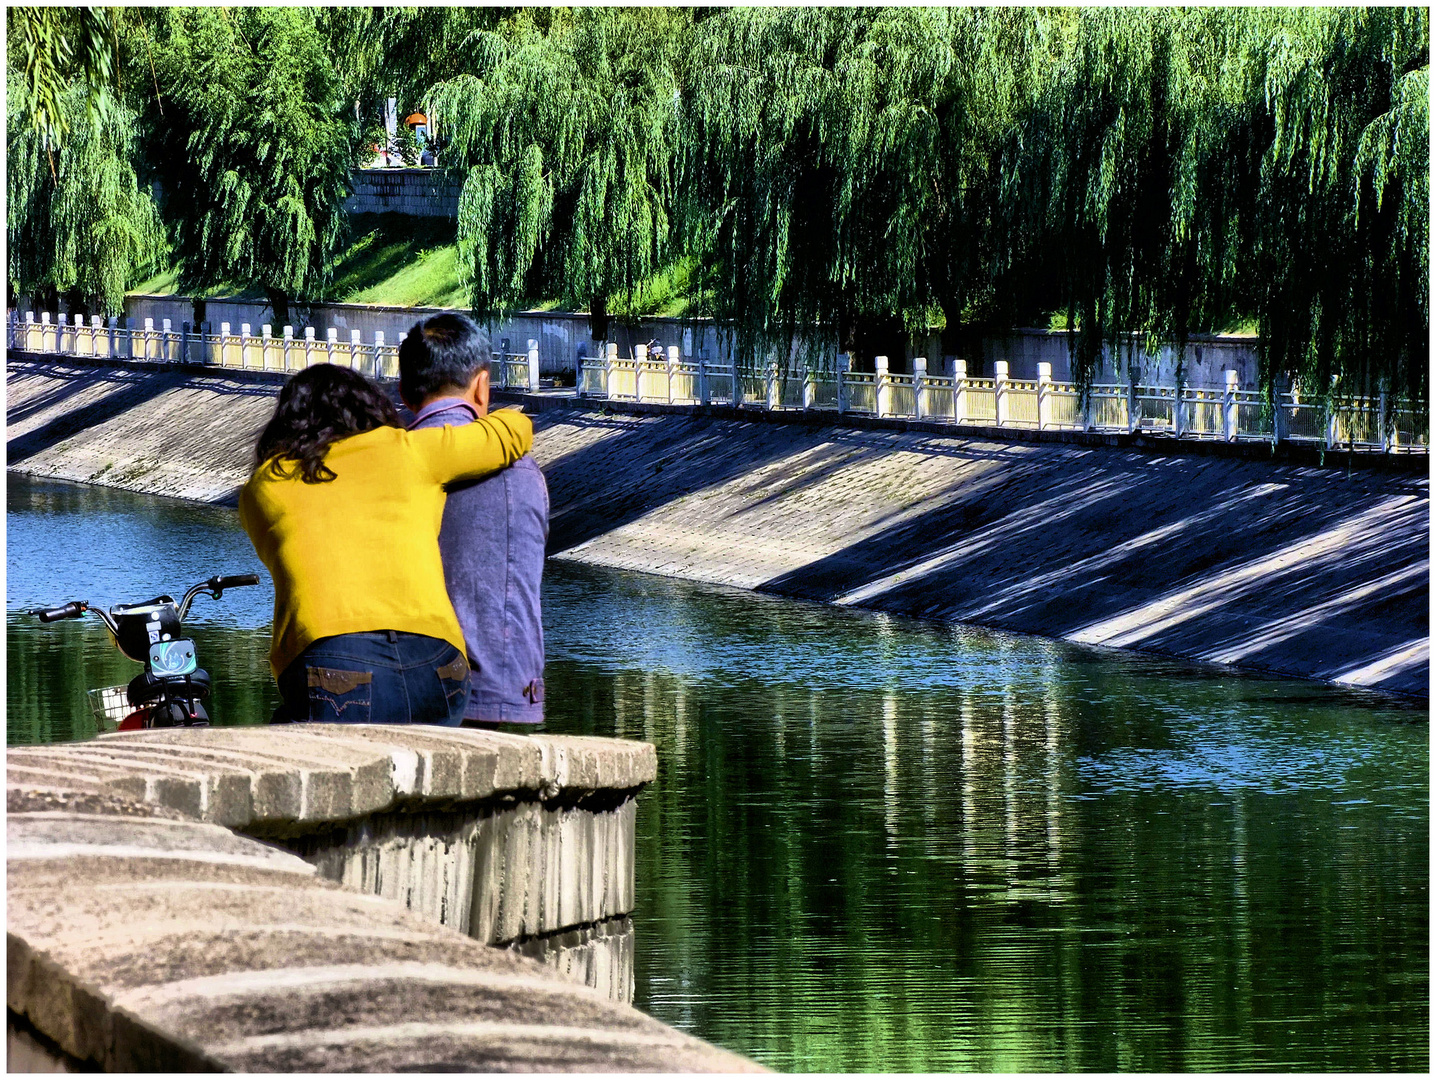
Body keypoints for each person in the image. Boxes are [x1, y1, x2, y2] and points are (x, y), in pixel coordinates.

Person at [239, 363, 532, 725]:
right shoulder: (409, 451)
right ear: (371, 405)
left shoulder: (264, 486)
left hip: (334, 661)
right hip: (439, 664)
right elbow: (513, 431)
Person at [398, 314, 549, 727]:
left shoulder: (389, 463)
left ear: (405, 391)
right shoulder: (523, 472)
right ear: (482, 386)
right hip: (506, 694)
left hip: (408, 693)